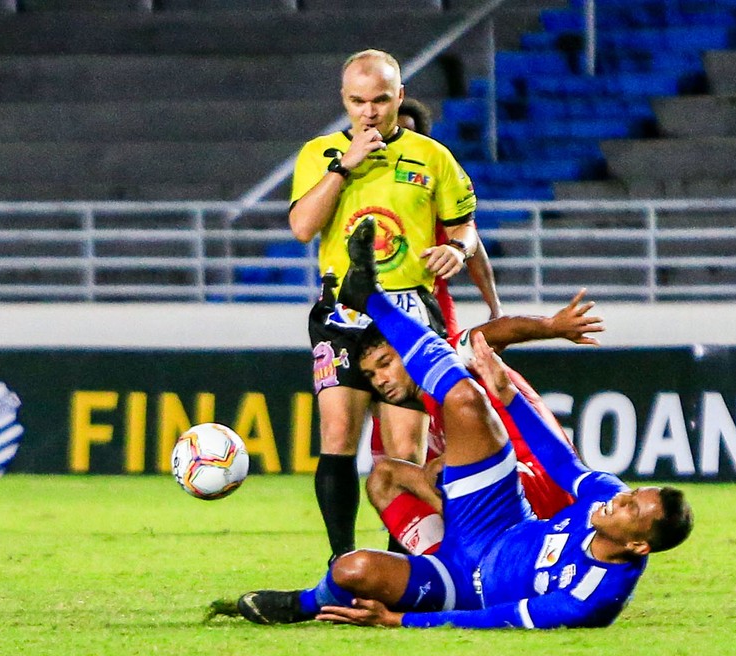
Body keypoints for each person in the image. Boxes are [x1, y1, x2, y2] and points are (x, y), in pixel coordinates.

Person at [214, 218, 694, 629]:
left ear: (637, 544)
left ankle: (306, 603)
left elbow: (500, 619)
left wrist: (401, 621)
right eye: (632, 494)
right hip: (502, 517)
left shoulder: (596, 596)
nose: (620, 498)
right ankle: (370, 298)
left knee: (352, 568)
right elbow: (563, 462)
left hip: (462, 585)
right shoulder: (605, 497)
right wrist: (508, 396)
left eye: (631, 507)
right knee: (464, 399)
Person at [289, 49, 494, 561]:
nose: (370, 111)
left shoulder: (432, 157)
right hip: (342, 311)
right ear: (345, 101)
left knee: (405, 450)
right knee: (337, 433)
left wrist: (457, 248)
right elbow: (301, 228)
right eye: (358, 101)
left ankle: (397, 563)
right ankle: (341, 561)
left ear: (399, 97)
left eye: (381, 99)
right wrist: (344, 167)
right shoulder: (319, 153)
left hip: (410, 315)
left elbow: (466, 226)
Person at [363, 289, 604, 555]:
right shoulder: (433, 405)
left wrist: (551, 326)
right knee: (386, 476)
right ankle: (446, 572)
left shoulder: (447, 358)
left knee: (435, 474)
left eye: (385, 363)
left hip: (535, 482)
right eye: (371, 375)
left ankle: (455, 566)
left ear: (408, 352)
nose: (380, 380)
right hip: (524, 493)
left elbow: (496, 331)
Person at [397, 97, 502, 335]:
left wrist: (495, 306)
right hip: (375, 303)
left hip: (429, 300)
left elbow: (471, 243)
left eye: (409, 134)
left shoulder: (434, 184)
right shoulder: (364, 182)